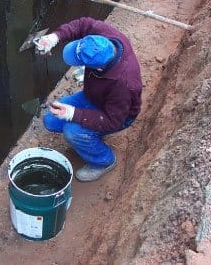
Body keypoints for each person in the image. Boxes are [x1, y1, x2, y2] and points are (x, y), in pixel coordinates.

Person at [34, 17, 142, 182]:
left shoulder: (124, 84)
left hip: (117, 115)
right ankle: (91, 136)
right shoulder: (105, 38)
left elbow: (113, 120)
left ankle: (103, 161)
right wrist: (54, 37)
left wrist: (73, 114)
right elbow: (82, 24)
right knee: (51, 120)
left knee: (72, 131)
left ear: (97, 68)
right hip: (94, 96)